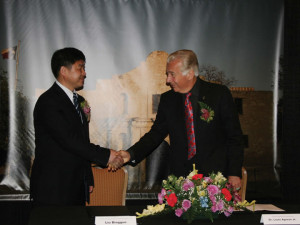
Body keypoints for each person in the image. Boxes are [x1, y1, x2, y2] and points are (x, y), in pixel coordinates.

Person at [120, 49, 244, 189]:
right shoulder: (168, 100)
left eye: (172, 74)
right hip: (181, 181)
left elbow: (234, 137)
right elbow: (155, 135)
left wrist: (234, 173)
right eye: (167, 74)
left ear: (190, 73)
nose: (167, 80)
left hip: (215, 179)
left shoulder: (219, 94)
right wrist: (130, 154)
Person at [30, 47, 123, 206]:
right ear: (64, 71)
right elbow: (69, 140)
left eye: (84, 68)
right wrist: (107, 155)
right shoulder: (48, 102)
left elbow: (82, 140)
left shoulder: (80, 101)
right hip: (53, 186)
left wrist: (87, 177)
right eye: (80, 67)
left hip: (76, 184)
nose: (84, 73)